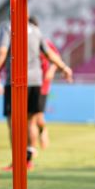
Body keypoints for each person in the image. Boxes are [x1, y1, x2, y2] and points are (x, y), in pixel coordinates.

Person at [0, 19, 73, 170]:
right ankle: (28, 161)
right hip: (35, 81)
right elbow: (48, 52)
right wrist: (64, 67)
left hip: (16, 81)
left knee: (14, 123)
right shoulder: (35, 30)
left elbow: (2, 51)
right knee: (30, 122)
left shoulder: (8, 27)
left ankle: (17, 162)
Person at [32, 16, 58, 150]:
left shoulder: (44, 43)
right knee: (31, 117)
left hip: (42, 84)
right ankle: (32, 147)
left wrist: (52, 70)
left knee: (38, 116)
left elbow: (56, 59)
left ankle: (43, 131)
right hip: (29, 83)